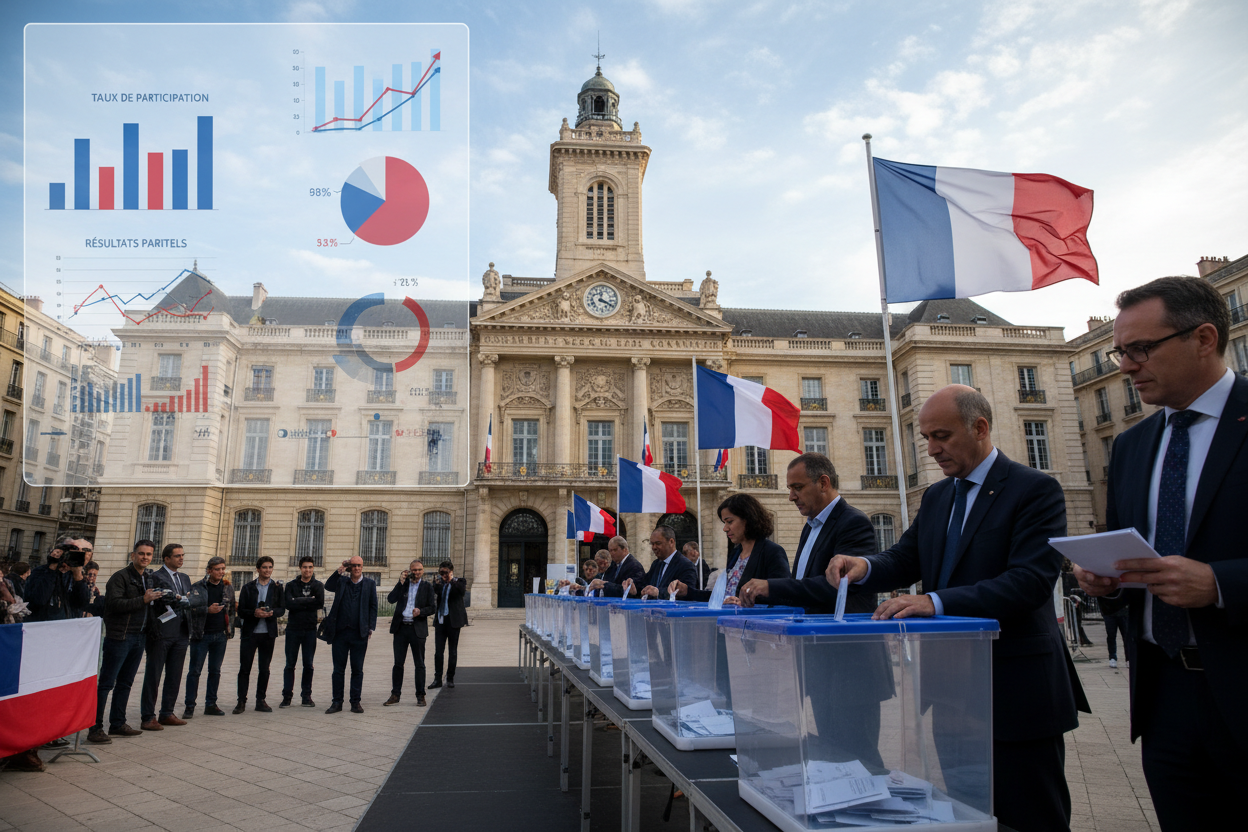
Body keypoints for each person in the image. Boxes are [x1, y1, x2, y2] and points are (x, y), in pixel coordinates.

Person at [824, 386, 1088, 832]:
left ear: (980, 428)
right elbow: (906, 558)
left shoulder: (1034, 490)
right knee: (967, 815)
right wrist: (863, 566)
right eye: (926, 437)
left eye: (941, 436)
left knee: (1030, 815)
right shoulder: (938, 497)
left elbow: (1030, 582)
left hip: (1015, 688)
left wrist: (934, 602)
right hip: (950, 691)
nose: (931, 449)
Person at [1072, 276, 1246, 830]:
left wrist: (1221, 583)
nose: (1125, 366)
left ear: (1203, 338)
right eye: (1119, 352)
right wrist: (1106, 580)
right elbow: (1132, 552)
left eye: (1141, 349)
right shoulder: (1131, 446)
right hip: (1164, 697)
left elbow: (1209, 570)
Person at [737, 453, 878, 613]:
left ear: (823, 483)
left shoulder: (854, 523)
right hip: (811, 632)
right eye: (790, 489)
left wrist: (772, 587)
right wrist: (754, 595)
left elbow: (840, 585)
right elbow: (801, 587)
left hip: (840, 634)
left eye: (798, 488)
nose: (791, 497)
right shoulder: (811, 525)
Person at [89, 540, 164, 745]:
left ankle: (118, 723)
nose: (145, 558)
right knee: (106, 684)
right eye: (141, 554)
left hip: (139, 637)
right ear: (133, 555)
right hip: (119, 636)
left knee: (126, 682)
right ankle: (95, 727)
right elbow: (113, 604)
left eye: (149, 554)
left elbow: (148, 606)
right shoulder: (120, 577)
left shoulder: (148, 578)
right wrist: (143, 600)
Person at [670, 494, 790, 602]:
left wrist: (743, 602)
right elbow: (721, 596)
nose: (725, 528)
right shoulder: (736, 553)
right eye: (724, 523)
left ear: (748, 519)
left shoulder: (772, 552)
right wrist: (688, 591)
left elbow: (781, 595)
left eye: (730, 522)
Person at [140, 544, 201, 730]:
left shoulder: (184, 577)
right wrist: (183, 599)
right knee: (154, 675)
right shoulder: (155, 576)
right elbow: (163, 599)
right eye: (177, 556)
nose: (181, 559)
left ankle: (167, 712)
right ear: (166, 558)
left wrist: (180, 598)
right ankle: (148, 716)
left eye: (182, 555)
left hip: (181, 632)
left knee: (174, 675)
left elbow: (194, 600)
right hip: (161, 633)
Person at [324, 556, 378, 714]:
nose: (356, 568)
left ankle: (355, 702)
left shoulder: (370, 584)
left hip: (359, 634)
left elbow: (373, 606)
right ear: (350, 567)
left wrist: (370, 627)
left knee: (357, 669)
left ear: (362, 567)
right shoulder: (342, 582)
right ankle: (337, 702)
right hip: (340, 633)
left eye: (359, 565)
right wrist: (340, 569)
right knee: (338, 670)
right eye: (353, 565)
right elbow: (328, 586)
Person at [183, 557, 234, 719]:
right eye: (217, 569)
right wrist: (207, 610)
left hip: (220, 636)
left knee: (215, 671)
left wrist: (229, 629)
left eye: (223, 569)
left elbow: (232, 609)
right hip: (201, 635)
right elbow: (188, 608)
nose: (221, 572)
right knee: (195, 672)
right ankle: (189, 706)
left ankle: (211, 704)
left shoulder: (227, 587)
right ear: (209, 570)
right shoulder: (198, 587)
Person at [234, 556, 284, 714]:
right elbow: (241, 610)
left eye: (270, 567)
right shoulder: (248, 587)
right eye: (264, 567)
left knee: (265, 668)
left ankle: (260, 700)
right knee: (245, 668)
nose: (267, 570)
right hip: (250, 633)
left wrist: (272, 613)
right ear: (258, 569)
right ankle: (241, 701)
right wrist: (254, 613)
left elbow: (282, 609)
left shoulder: (277, 588)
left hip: (268, 634)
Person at [384, 560, 434, 706]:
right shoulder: (404, 585)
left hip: (417, 629)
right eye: (414, 570)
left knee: (419, 664)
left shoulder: (427, 587)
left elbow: (432, 607)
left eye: (419, 570)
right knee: (398, 663)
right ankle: (395, 694)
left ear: (422, 571)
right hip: (401, 628)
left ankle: (420, 695)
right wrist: (400, 583)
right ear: (410, 571)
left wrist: (421, 611)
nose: (416, 572)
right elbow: (391, 599)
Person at [281, 556, 324, 708]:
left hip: (310, 630)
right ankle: (287, 696)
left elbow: (319, 603)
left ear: (313, 568)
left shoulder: (318, 585)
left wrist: (298, 600)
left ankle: (306, 696)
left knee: (308, 664)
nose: (308, 570)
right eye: (305, 567)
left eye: (310, 567)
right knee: (289, 664)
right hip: (293, 629)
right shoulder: (291, 585)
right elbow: (288, 604)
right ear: (300, 568)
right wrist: (308, 601)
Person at [625, 526, 698, 599]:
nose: (654, 547)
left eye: (658, 543)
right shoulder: (656, 564)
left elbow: (687, 594)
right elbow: (644, 584)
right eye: (652, 544)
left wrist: (658, 592)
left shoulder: (686, 565)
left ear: (671, 542)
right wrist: (633, 587)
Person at [24, 543, 90, 621]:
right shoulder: (41, 571)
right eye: (70, 556)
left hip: (66, 625)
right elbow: (39, 599)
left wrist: (78, 576)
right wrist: (53, 567)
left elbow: (83, 603)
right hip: (43, 624)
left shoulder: (73, 575)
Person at [428, 560, 467, 690]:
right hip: (440, 621)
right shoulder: (439, 583)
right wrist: (438, 582)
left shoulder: (459, 582)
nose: (443, 575)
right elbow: (435, 591)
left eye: (446, 572)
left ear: (451, 572)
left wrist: (451, 580)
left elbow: (460, 593)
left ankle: (450, 678)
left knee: (453, 651)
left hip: (454, 622)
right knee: (438, 652)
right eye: (441, 572)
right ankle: (437, 679)